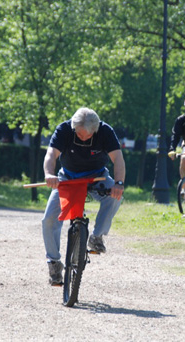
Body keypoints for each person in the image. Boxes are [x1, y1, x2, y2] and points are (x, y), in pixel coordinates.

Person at [42, 107, 125, 285]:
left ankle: (96, 237)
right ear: (73, 128)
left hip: (97, 177)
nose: (83, 138)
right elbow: (51, 154)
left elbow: (118, 159)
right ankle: (54, 263)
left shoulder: (105, 131)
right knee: (49, 219)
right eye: (79, 135)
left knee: (115, 197)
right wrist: (49, 174)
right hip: (68, 177)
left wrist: (118, 183)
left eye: (87, 136)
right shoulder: (64, 130)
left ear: (95, 130)